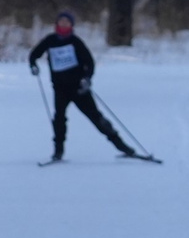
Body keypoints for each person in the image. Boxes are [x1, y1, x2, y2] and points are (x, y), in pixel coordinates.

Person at [28, 11, 138, 161]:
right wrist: (33, 65)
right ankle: (58, 151)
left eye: (67, 22)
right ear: (57, 24)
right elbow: (34, 54)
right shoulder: (50, 40)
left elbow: (89, 62)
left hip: (78, 88)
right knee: (59, 119)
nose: (64, 24)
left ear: (71, 25)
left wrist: (87, 79)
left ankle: (122, 146)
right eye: (61, 21)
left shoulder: (75, 42)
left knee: (96, 117)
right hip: (60, 88)